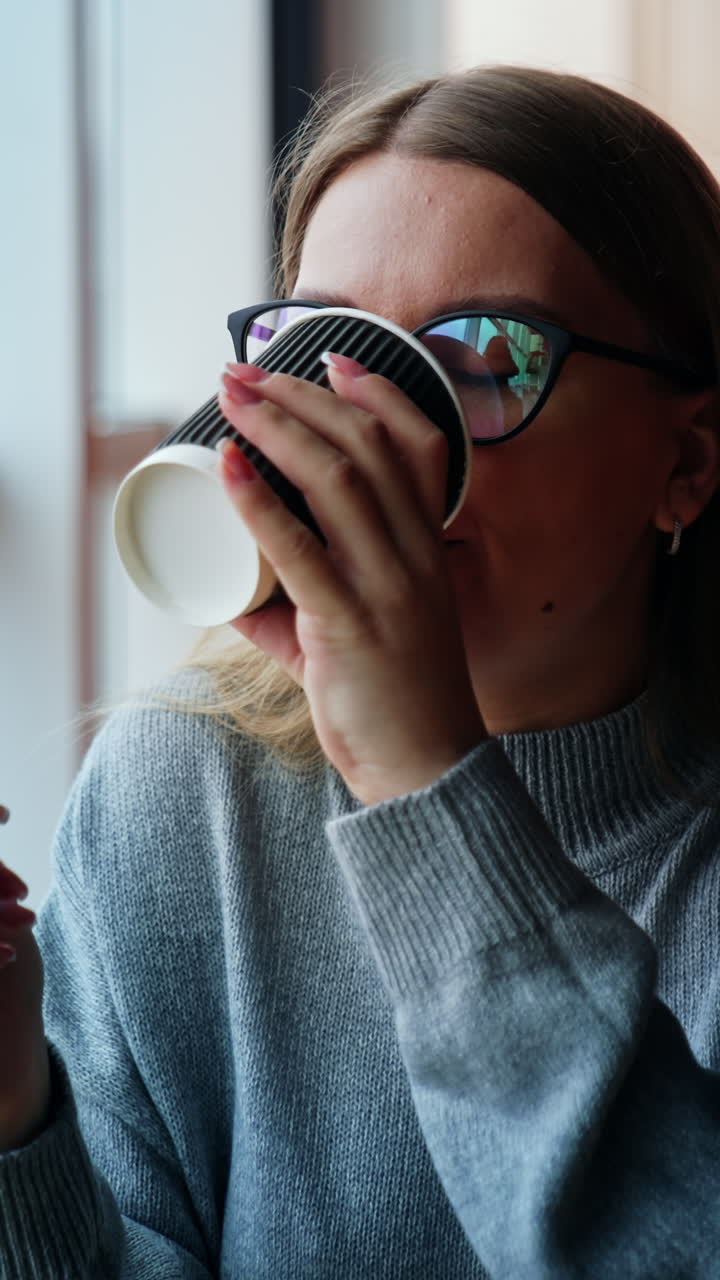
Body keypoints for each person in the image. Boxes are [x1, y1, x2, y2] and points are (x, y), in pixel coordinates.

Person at [2, 62, 720, 1278]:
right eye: (326, 345)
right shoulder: (188, 784)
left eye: (484, 356)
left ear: (686, 461)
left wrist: (426, 778)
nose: (372, 432)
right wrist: (17, 1120)